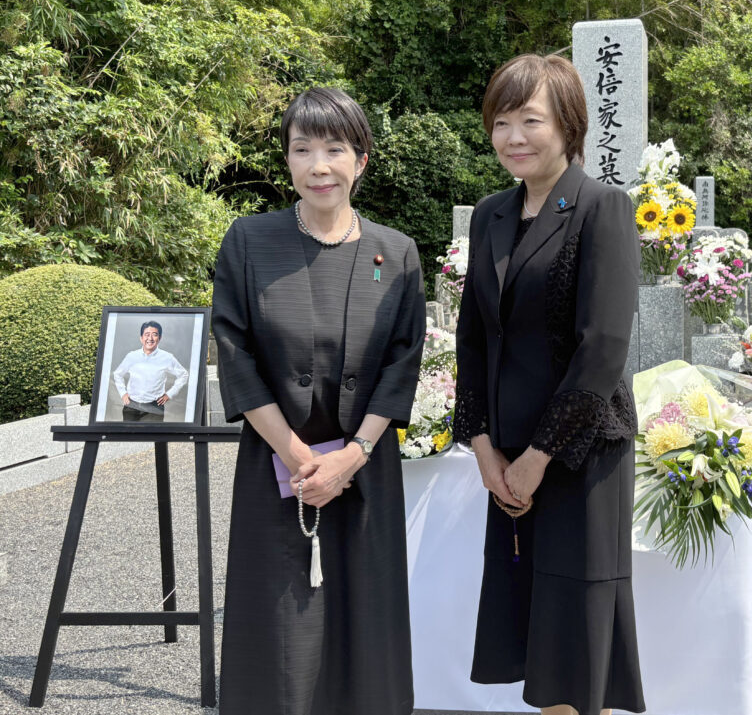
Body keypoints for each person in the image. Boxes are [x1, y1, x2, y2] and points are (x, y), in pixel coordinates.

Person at [212, 87, 426, 715]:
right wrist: (299, 457)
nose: (319, 166)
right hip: (278, 466)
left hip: (365, 469)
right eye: (302, 149)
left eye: (335, 149)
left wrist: (352, 456)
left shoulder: (396, 252)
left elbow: (402, 363)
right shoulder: (249, 241)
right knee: (281, 628)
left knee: (366, 622)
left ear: (361, 159)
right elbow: (235, 354)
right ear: (287, 160)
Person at [454, 54, 645, 715]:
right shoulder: (490, 215)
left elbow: (603, 349)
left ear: (568, 124)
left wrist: (538, 458)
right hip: (506, 457)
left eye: (530, 120)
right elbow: (473, 338)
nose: (513, 137)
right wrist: (484, 448)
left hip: (578, 456)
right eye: (500, 122)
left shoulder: (601, 208)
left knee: (575, 640)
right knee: (532, 627)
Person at [111, 320, 188, 421]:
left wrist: (169, 394)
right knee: (128, 431)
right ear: (141, 338)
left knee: (152, 432)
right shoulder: (131, 356)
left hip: (154, 407)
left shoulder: (167, 357)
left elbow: (183, 375)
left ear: (159, 338)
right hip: (131, 405)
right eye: (147, 334)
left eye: (154, 335)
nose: (150, 338)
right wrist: (123, 393)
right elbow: (117, 374)